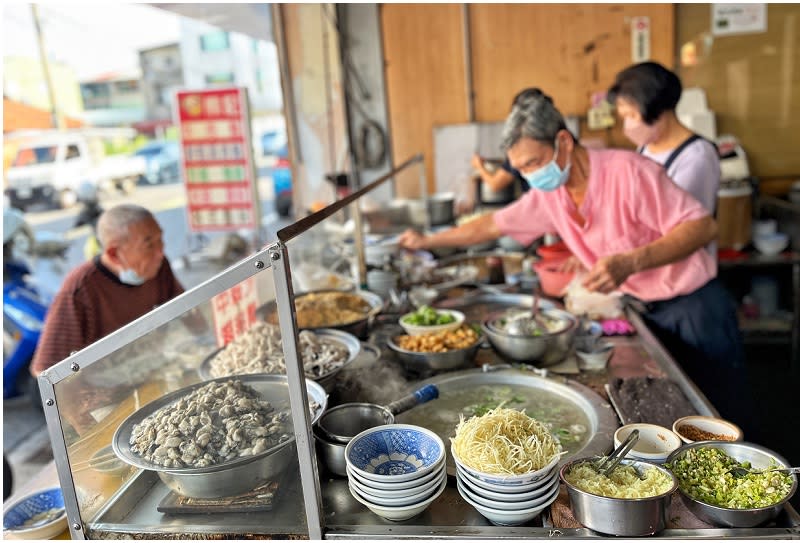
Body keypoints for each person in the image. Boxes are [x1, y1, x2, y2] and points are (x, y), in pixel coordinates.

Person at [399, 89, 753, 434]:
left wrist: (630, 262)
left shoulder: (630, 172)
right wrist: (427, 240)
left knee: (719, 419)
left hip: (695, 309)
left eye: (535, 162)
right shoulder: (551, 194)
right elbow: (493, 223)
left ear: (564, 143)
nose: (531, 176)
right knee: (678, 420)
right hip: (643, 312)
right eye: (522, 169)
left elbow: (702, 226)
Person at [30, 204, 184, 377]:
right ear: (113, 253)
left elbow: (188, 312)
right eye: (149, 245)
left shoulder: (159, 267)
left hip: (148, 372)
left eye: (160, 239)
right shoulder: (80, 289)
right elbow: (45, 369)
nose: (160, 251)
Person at [607, 61, 721, 216]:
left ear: (659, 109)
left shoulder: (696, 157)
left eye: (632, 115)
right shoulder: (647, 146)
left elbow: (684, 221)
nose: (628, 125)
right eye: (624, 117)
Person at [462, 88, 543, 213]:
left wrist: (479, 166)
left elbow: (495, 185)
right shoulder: (546, 139)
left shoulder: (521, 145)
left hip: (538, 210)